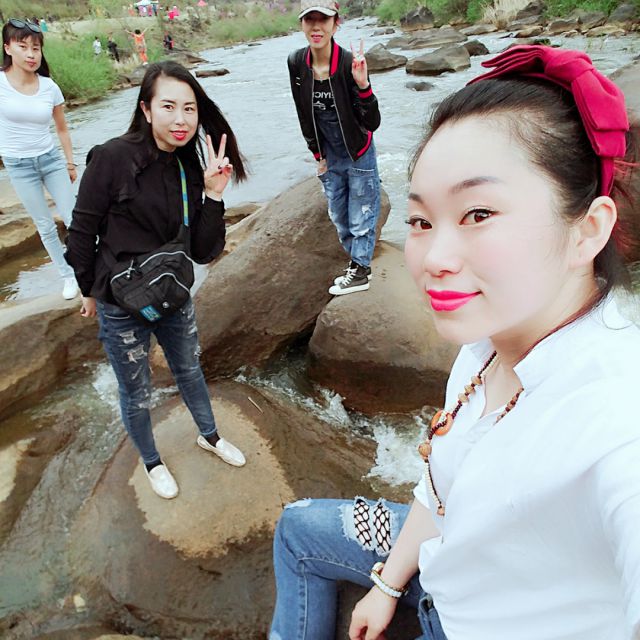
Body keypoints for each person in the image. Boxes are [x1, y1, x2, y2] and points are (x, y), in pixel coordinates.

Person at [271, 45, 640, 640]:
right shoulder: (488, 343)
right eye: (421, 221)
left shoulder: (617, 414)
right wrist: (388, 585)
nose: (434, 259)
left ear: (587, 230)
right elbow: (439, 489)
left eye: (478, 214)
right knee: (297, 526)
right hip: (437, 568)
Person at [65, 61, 248, 499]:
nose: (180, 119)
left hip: (172, 296)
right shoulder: (111, 158)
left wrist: (214, 194)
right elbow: (81, 233)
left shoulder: (187, 167)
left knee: (189, 369)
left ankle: (209, 435)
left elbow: (202, 250)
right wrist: (90, 290)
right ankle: (151, 461)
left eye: (189, 108)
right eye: (168, 106)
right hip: (121, 303)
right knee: (135, 390)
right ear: (146, 109)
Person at [287, 0, 381, 296]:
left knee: (361, 214)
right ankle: (356, 264)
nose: (316, 27)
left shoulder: (349, 62)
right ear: (302, 24)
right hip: (329, 153)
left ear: (335, 24)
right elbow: (303, 112)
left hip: (358, 150)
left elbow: (373, 122)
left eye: (323, 20)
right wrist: (317, 154)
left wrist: (363, 85)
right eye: (310, 20)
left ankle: (361, 271)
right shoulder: (296, 62)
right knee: (339, 217)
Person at [0, 19, 79, 299]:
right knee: (45, 225)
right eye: (23, 47)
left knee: (73, 218)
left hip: (50, 160)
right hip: (19, 166)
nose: (31, 54)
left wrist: (70, 162)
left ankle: (86, 269)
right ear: (7, 48)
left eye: (36, 48)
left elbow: (62, 129)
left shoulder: (49, 87)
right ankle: (68, 276)